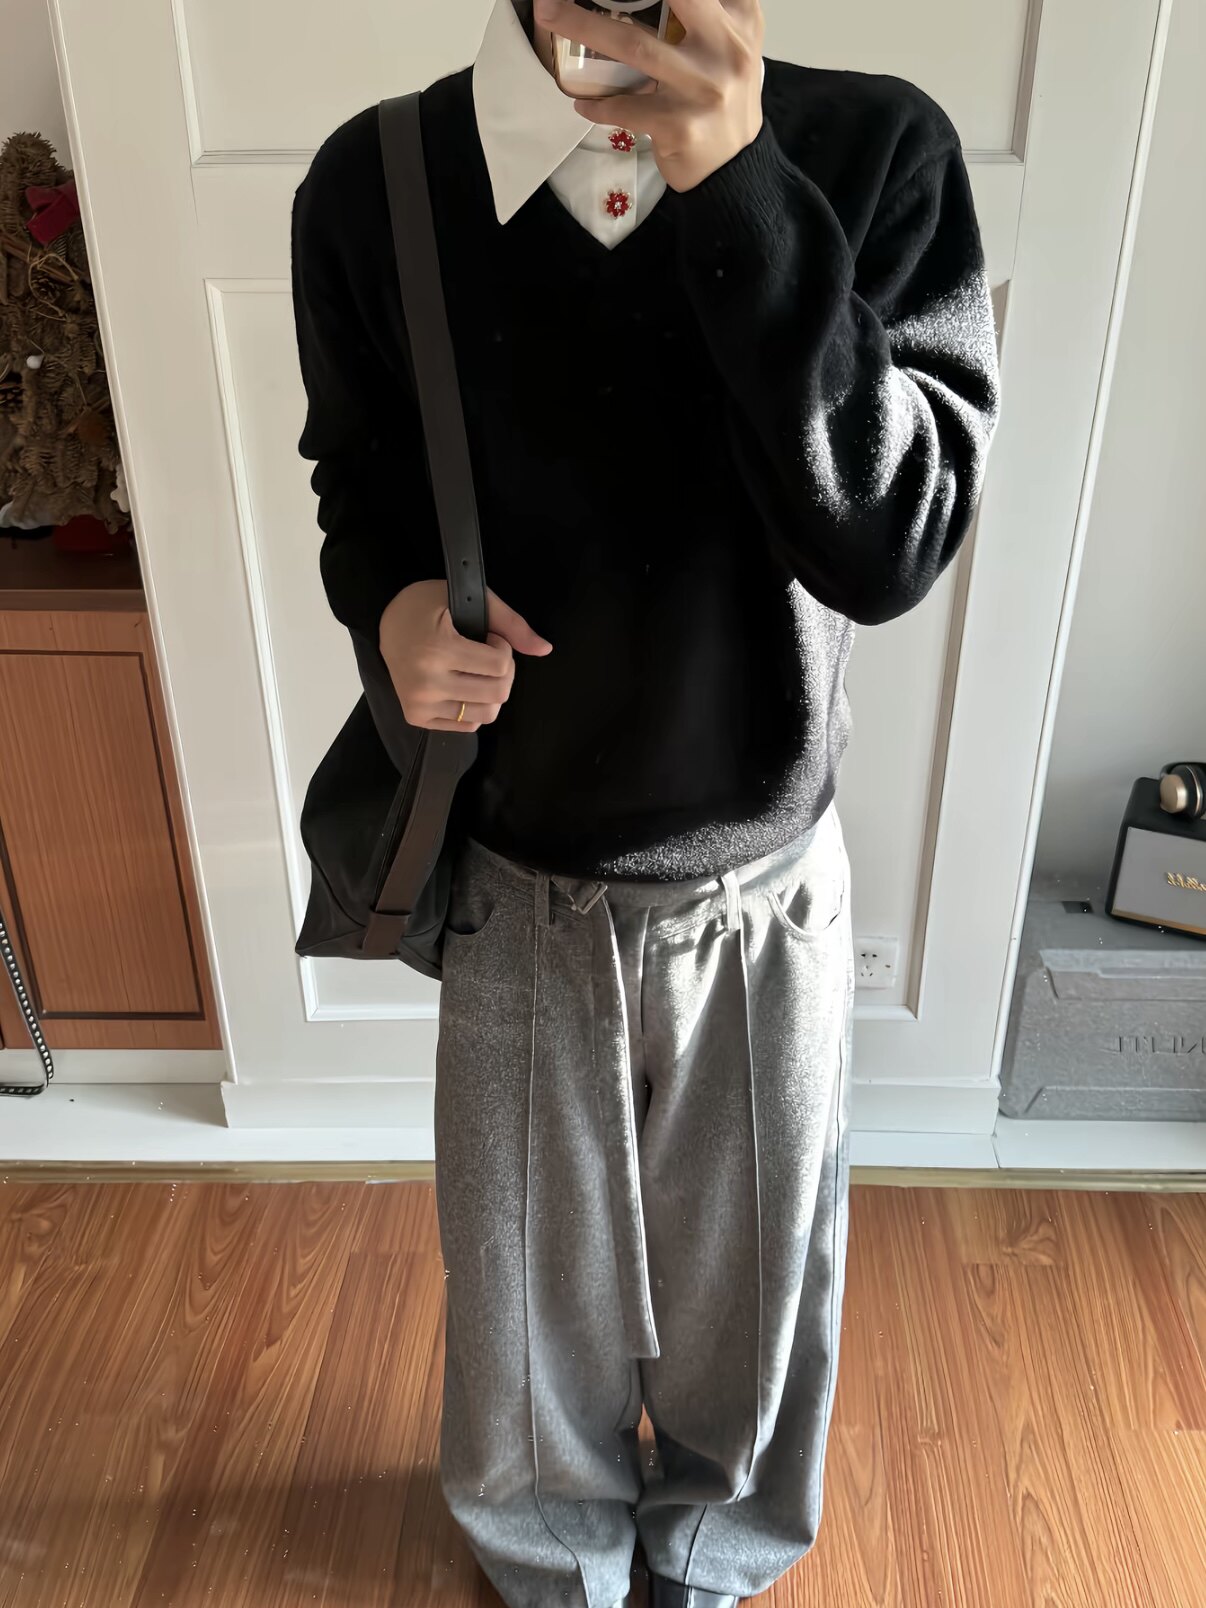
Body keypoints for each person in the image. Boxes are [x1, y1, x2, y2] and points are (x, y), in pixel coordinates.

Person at [290, 1, 1000, 1603]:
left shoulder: (872, 152)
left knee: (754, 1287)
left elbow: (893, 534)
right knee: (520, 1297)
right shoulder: (379, 179)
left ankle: (710, 1555)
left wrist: (739, 188)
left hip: (763, 877)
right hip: (516, 871)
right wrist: (389, 612)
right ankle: (550, 1561)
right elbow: (361, 477)